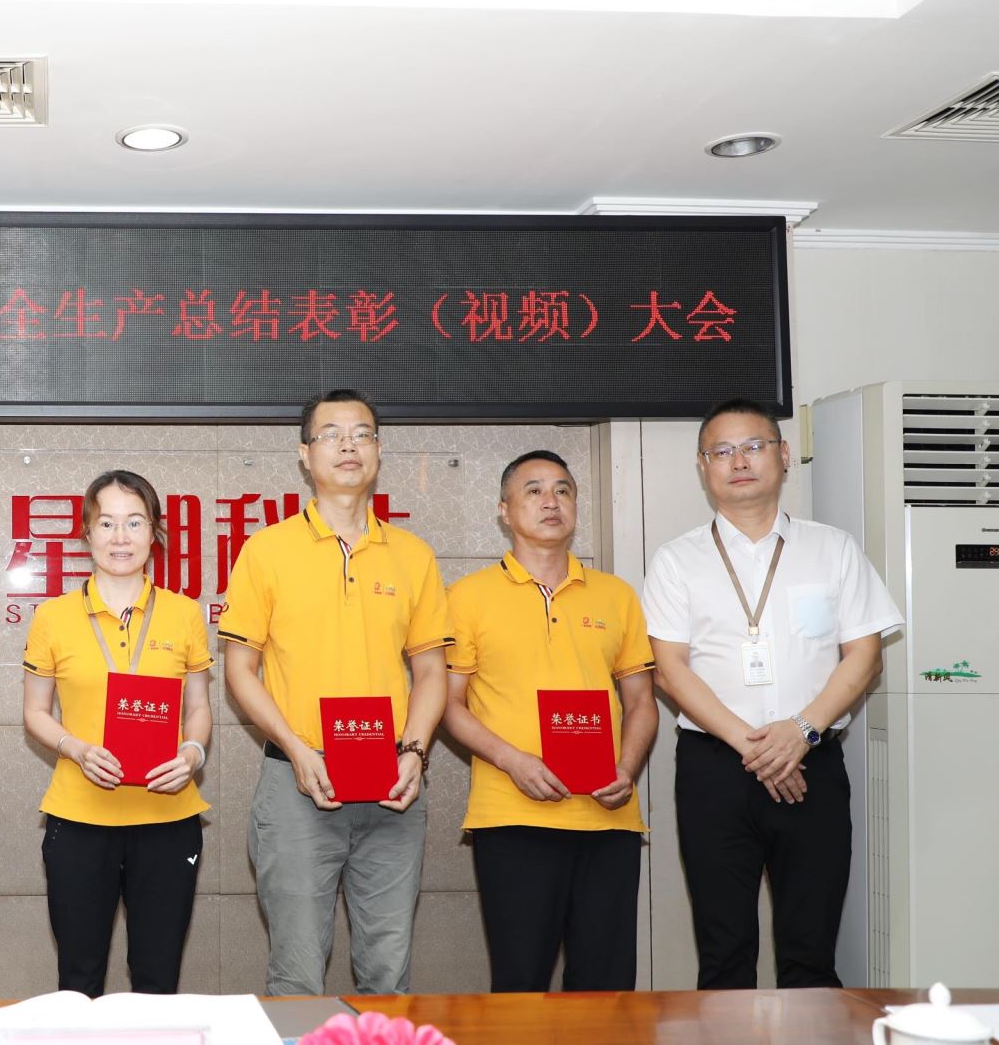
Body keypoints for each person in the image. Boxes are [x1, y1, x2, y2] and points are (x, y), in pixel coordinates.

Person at [644, 397, 901, 990]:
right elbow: (670, 671)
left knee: (810, 953)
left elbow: (864, 656)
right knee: (724, 953)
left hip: (812, 762)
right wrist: (757, 747)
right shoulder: (677, 560)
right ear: (703, 466)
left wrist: (801, 732)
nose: (739, 462)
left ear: (783, 455)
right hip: (715, 768)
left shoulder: (833, 549)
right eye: (721, 451)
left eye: (753, 446)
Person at [220, 389, 451, 996]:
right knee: (296, 975)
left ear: (378, 449)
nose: (349, 446)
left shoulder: (413, 556)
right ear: (305, 454)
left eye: (362, 434)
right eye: (331, 434)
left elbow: (432, 672)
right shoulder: (266, 550)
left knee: (387, 974)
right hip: (298, 783)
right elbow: (240, 669)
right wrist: (298, 750)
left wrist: (415, 752)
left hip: (392, 786)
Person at [442, 450, 657, 992]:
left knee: (606, 989)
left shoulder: (616, 595)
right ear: (504, 510)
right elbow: (447, 704)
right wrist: (512, 761)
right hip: (513, 817)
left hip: (607, 818)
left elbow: (641, 702)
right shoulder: (467, 597)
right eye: (534, 490)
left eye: (563, 490)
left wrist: (628, 768)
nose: (551, 501)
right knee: (520, 985)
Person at [21, 470, 214, 996]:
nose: (120, 537)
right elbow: (35, 712)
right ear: (87, 533)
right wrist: (76, 748)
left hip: (167, 816)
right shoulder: (53, 616)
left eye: (135, 522)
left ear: (154, 532)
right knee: (78, 979)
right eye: (106, 523)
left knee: (158, 979)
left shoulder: (184, 614)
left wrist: (192, 753)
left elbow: (198, 706)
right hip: (80, 818)